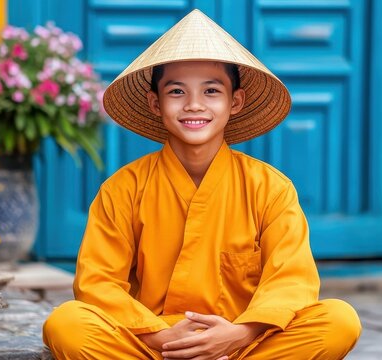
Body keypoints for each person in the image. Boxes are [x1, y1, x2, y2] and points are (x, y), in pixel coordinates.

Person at [43, 9, 361, 360]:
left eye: (211, 91)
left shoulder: (270, 188)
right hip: (152, 343)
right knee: (67, 323)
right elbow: (97, 285)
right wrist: (162, 337)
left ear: (234, 101)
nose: (194, 105)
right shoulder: (123, 189)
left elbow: (292, 281)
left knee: (339, 320)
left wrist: (240, 334)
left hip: (240, 345)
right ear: (155, 102)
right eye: (177, 91)